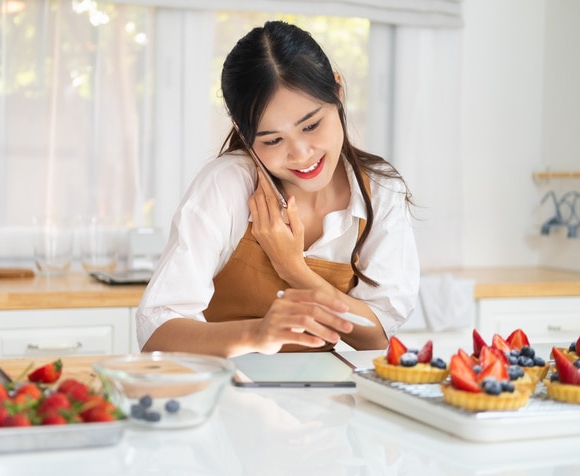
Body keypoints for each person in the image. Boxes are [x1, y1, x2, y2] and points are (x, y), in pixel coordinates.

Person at [136, 21, 419, 358]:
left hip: (322, 401)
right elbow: (156, 331)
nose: (301, 153)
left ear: (338, 93)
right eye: (272, 139)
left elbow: (375, 337)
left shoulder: (380, 191)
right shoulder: (227, 186)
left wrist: (293, 269)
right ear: (243, 133)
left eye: (312, 125)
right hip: (223, 395)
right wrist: (257, 334)